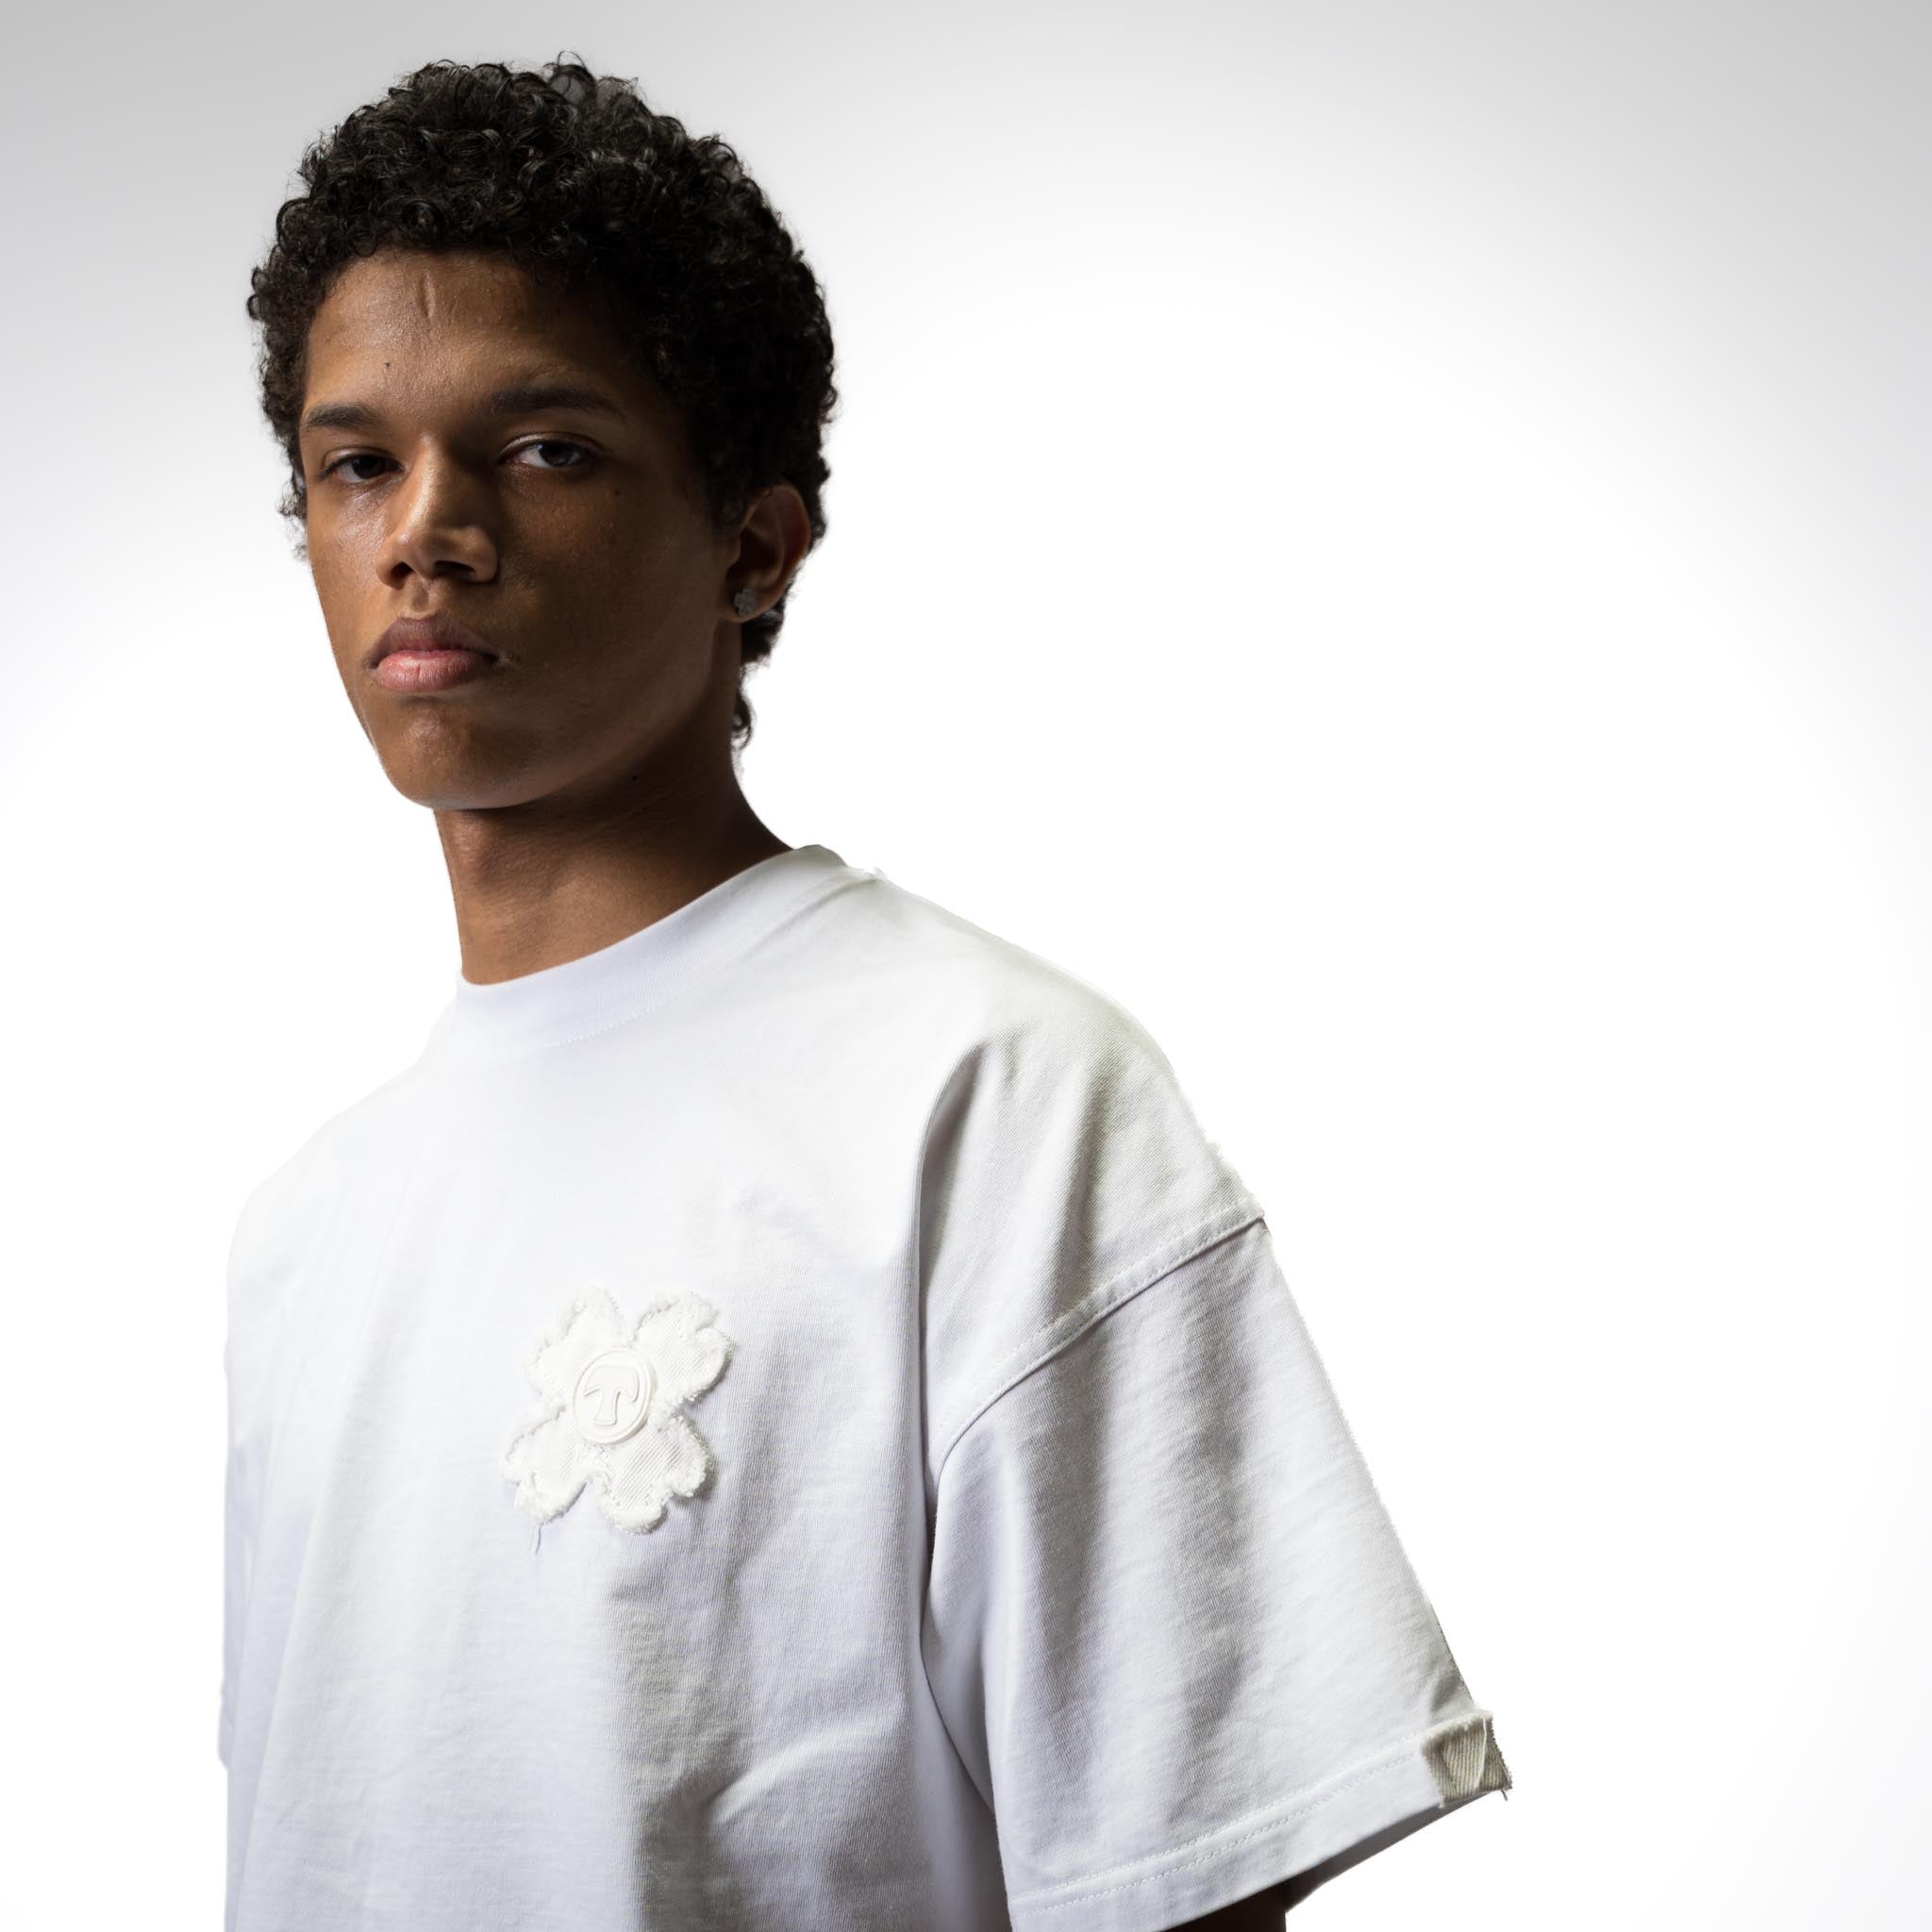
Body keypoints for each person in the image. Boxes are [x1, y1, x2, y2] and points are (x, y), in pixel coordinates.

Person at [221, 52, 1511, 1932]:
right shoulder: (306, 1233)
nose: (426, 528)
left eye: (546, 447)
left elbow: (1185, 1887)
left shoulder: (993, 1104)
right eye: (357, 465)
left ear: (753, 547)